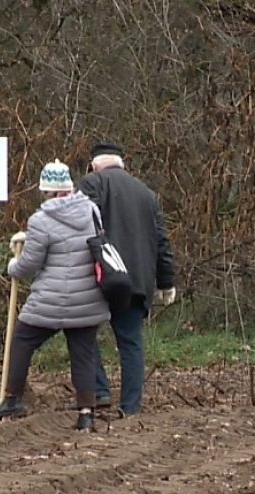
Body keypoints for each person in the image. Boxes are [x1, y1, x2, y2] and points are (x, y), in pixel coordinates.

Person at [0, 159, 110, 431]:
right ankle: (86, 413)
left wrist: (12, 266)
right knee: (83, 354)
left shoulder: (41, 220)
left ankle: (12, 399)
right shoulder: (91, 211)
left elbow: (29, 265)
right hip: (87, 298)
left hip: (51, 301)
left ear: (49, 191)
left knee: (22, 340)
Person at [76, 141, 176, 416]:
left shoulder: (90, 184)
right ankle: (130, 407)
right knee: (130, 342)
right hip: (136, 280)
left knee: (83, 334)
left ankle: (99, 389)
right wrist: (166, 281)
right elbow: (161, 241)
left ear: (94, 164)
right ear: (123, 163)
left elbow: (82, 227)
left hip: (98, 276)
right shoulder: (146, 193)